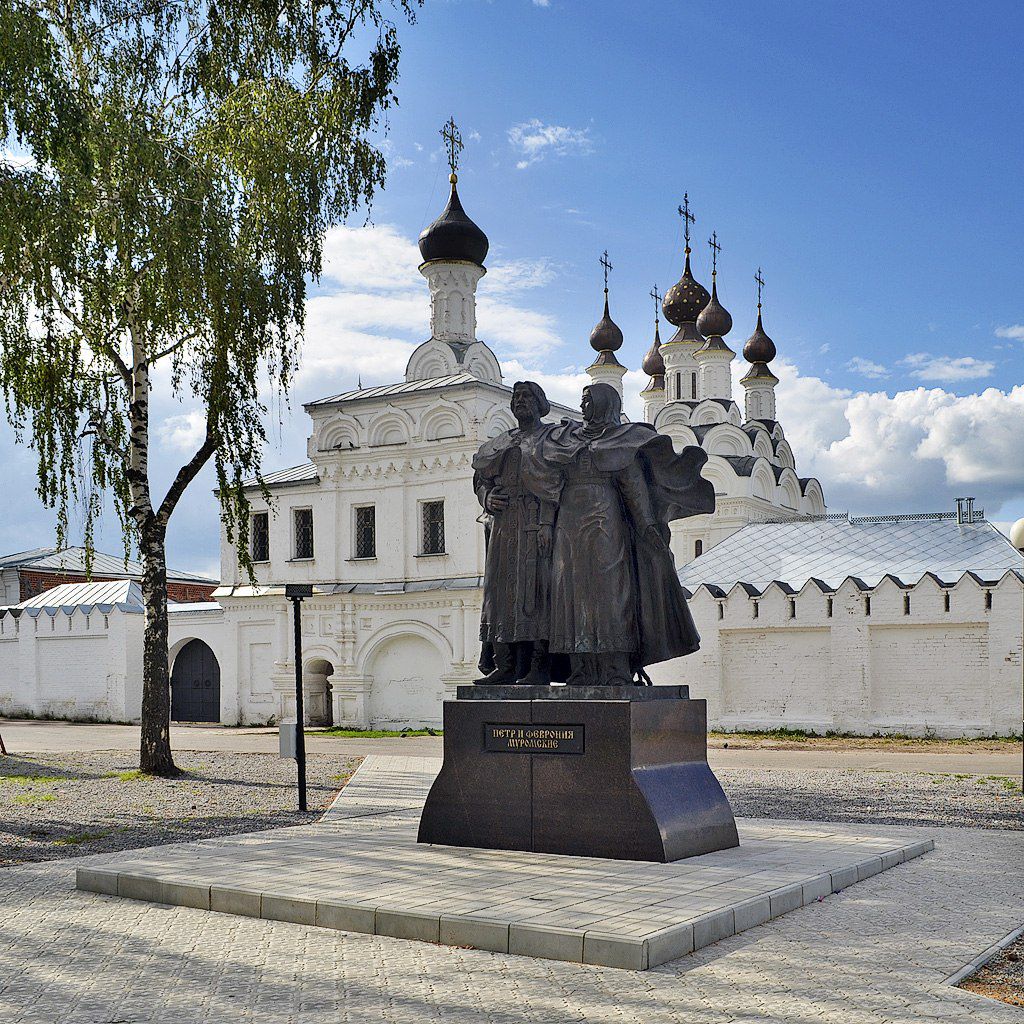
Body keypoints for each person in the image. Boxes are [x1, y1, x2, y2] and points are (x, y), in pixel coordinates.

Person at [544, 382, 714, 685]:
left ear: (605, 404)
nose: (583, 407)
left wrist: (649, 527)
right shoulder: (566, 440)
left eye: (587, 401)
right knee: (570, 593)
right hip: (567, 528)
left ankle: (615, 668)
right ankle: (581, 668)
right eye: (582, 401)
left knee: (611, 593)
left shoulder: (623, 440)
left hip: (605, 523)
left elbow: (634, 487)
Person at [472, 381, 562, 685]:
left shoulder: (549, 438)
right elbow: (480, 478)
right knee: (498, 593)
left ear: (540, 403)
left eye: (527, 396)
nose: (520, 401)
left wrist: (547, 524)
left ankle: (539, 666)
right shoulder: (501, 441)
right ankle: (505, 665)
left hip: (535, 522)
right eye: (517, 397)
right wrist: (487, 497)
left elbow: (554, 483)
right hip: (503, 526)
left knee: (536, 593)